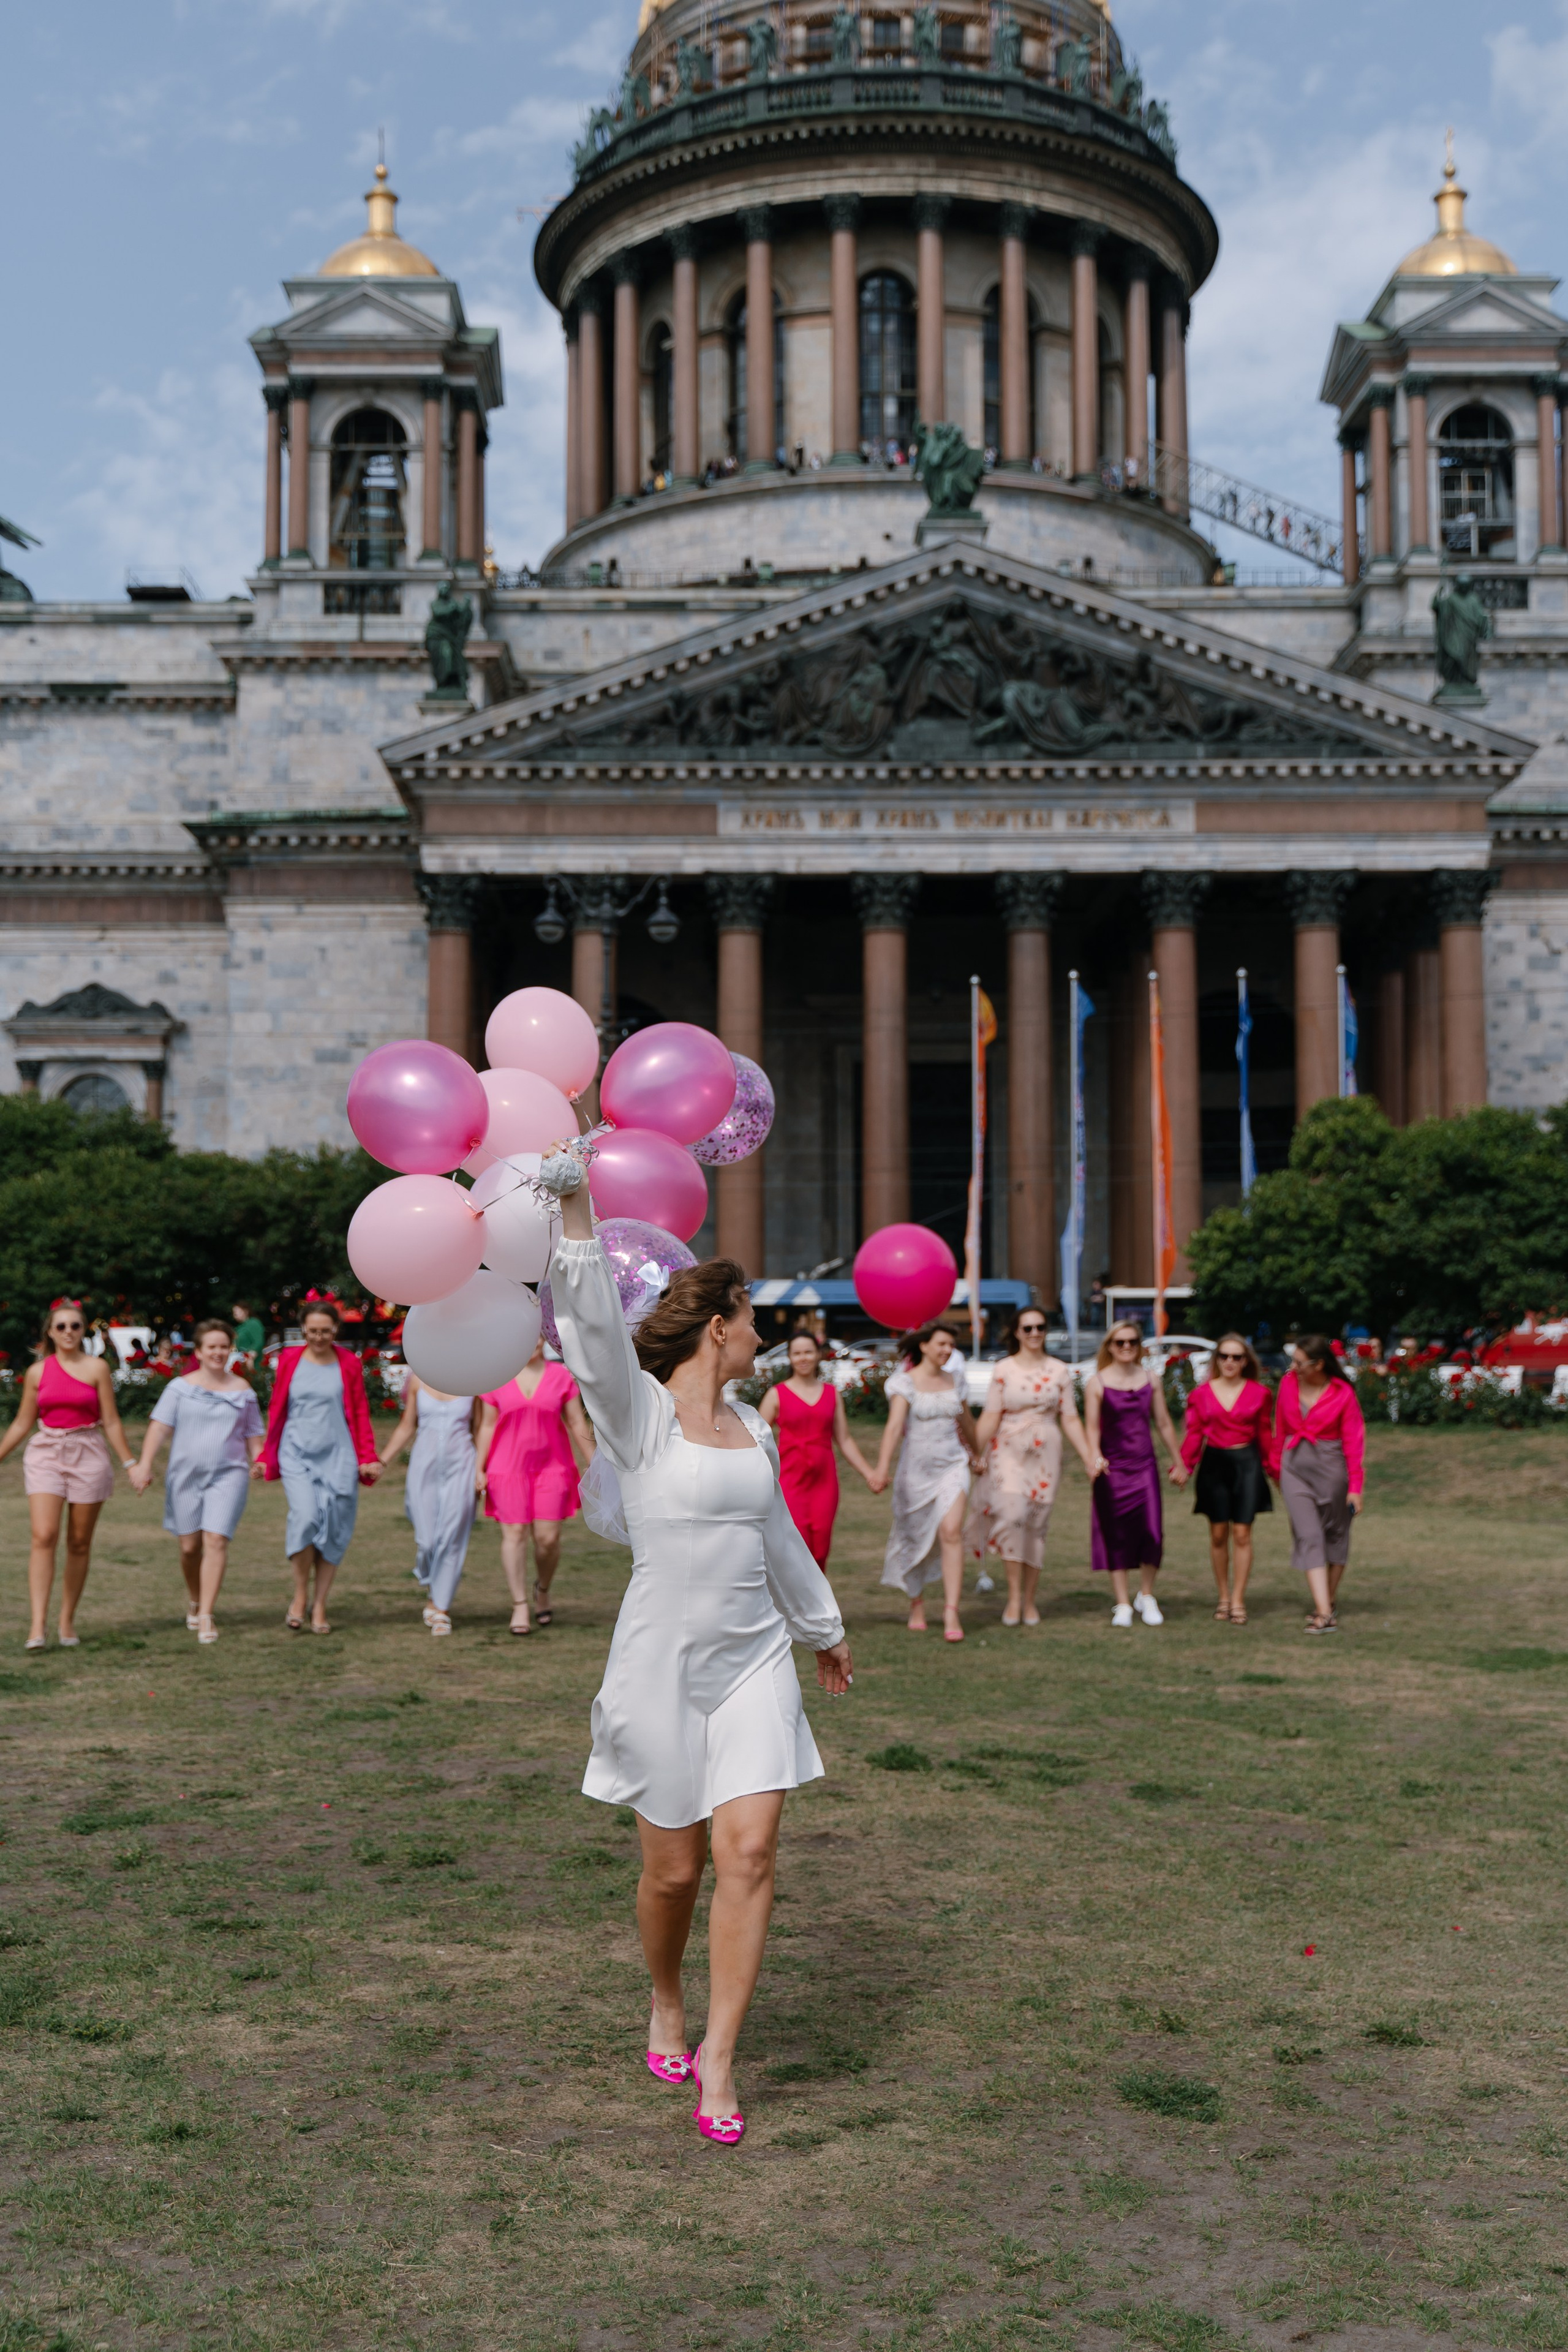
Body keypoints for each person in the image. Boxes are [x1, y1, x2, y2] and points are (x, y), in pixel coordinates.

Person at [545, 1144, 852, 2147]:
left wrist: (823, 1630)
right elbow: (591, 1336)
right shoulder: (640, 1423)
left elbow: (776, 1540)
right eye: (752, 1319)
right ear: (717, 1328)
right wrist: (579, 1209)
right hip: (658, 1665)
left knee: (750, 1852)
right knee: (674, 1874)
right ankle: (666, 1998)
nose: (763, 1335)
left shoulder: (752, 1428)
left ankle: (719, 2058)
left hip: (754, 1656)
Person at [0, 1299, 138, 1650]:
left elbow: (111, 1420)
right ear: (50, 1331)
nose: (68, 1332)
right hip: (47, 1452)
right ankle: (37, 1626)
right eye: (60, 1326)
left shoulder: (97, 1369)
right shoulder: (37, 1372)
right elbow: (22, 1421)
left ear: (84, 1330)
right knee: (44, 1535)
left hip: (88, 1453)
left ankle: (66, 1622)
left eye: (75, 1326)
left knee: (78, 1543)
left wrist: (130, 1463)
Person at [128, 1319, 264, 1643]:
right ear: (199, 1352)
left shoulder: (244, 1391)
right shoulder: (180, 1388)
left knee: (216, 1540)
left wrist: (259, 1462)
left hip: (229, 1474)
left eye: (223, 1347)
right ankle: (194, 1598)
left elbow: (254, 1435)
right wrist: (144, 1465)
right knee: (190, 1548)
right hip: (185, 1476)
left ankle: (206, 1614)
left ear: (230, 1351)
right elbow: (159, 1428)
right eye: (211, 1347)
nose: (218, 1353)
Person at [257, 1298, 381, 1634]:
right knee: (306, 1518)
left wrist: (367, 1457)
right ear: (303, 1330)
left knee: (335, 1531)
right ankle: (300, 1596)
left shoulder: (348, 1363)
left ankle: (320, 1605)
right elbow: (277, 1409)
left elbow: (359, 1412)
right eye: (312, 1331)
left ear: (336, 1330)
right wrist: (266, 1456)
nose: (319, 1337)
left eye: (326, 1331)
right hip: (296, 1452)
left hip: (338, 1455)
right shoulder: (289, 1360)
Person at [967, 1309, 1097, 1626]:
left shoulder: (1059, 1370)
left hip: (1046, 1453)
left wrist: (1089, 1456)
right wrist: (973, 1452)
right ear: (1017, 1332)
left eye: (1040, 1327)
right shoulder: (1003, 1370)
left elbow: (1070, 1418)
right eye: (1028, 1328)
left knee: (1036, 1525)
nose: (1035, 1332)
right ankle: (1013, 1598)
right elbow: (989, 1417)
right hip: (1007, 1451)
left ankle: (1029, 1601)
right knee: (1012, 1517)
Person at [475, 1341, 596, 1634]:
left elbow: (577, 1421)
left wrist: (596, 1463)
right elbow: (487, 1425)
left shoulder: (561, 1376)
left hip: (552, 1468)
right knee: (514, 1534)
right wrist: (478, 1467)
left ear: (544, 1338)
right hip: (506, 1469)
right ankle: (519, 1605)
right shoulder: (496, 1377)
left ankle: (542, 1589)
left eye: (536, 1335)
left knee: (548, 1540)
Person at [872, 1322, 982, 1642]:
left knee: (951, 1532)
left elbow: (967, 1422)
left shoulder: (956, 1379)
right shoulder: (903, 1383)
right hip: (915, 1473)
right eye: (942, 1344)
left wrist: (978, 1455)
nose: (947, 1350)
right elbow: (894, 1428)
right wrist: (881, 1468)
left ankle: (951, 1611)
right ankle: (916, 1602)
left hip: (953, 1466)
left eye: (951, 1345)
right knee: (913, 1535)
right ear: (924, 1346)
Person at [1083, 1320, 1182, 1628]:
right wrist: (1094, 1456)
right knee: (1117, 1535)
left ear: (1139, 1346)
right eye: (1120, 1342)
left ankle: (1147, 1595)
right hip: (1113, 1469)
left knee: (1152, 1532)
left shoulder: (1151, 1379)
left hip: (1145, 1467)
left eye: (1132, 1342)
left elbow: (1164, 1422)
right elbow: (1092, 1427)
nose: (1126, 1347)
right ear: (1110, 1346)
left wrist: (1178, 1460)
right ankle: (1123, 1602)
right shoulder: (1097, 1383)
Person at [1176, 1333, 1275, 1626]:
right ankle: (1222, 1597)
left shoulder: (1260, 1393)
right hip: (1215, 1466)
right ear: (1217, 1360)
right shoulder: (1201, 1394)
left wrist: (1275, 1470)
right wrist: (1184, 1466)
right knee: (1218, 1534)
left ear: (1246, 1361)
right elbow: (1194, 1434)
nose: (1230, 1362)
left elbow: (1265, 1435)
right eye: (1225, 1356)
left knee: (1243, 1534)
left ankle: (1238, 1600)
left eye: (1237, 1357)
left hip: (1247, 1465)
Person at [1269, 1334, 1365, 1634]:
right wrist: (1275, 1469)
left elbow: (1354, 1440)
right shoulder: (1287, 1384)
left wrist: (1355, 1487)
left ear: (1319, 1364)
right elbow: (1280, 1427)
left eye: (1299, 1362)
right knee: (1309, 1534)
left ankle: (1329, 1599)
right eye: (1292, 1361)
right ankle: (1324, 1612)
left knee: (1336, 1535)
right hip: (1293, 1467)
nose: (1293, 1367)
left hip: (1332, 1467)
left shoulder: (1343, 1393)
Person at [758, 1330, 878, 1569]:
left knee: (821, 1549)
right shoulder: (776, 1394)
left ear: (818, 1355)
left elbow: (844, 1440)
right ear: (790, 1358)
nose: (803, 1358)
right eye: (797, 1353)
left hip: (824, 1482)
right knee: (795, 1546)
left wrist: (870, 1474)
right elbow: (756, 1440)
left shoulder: (832, 1394)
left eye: (808, 1352)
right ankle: (793, 1606)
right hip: (790, 1482)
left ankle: (818, 1605)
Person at [379, 1373, 480, 1636]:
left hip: (462, 1466)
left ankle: (440, 1608)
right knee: (427, 1541)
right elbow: (406, 1426)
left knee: (452, 1537)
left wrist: (482, 1470)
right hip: (424, 1467)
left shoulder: (474, 1381)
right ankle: (432, 1582)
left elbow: (479, 1428)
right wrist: (382, 1461)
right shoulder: (418, 1380)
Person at [231, 1302, 265, 1370]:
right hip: (239, 1360)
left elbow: (258, 1341)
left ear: (246, 1311)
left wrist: (251, 1356)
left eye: (237, 1311)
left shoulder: (253, 1323)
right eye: (234, 1312)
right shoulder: (240, 1327)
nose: (235, 1314)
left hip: (251, 1362)